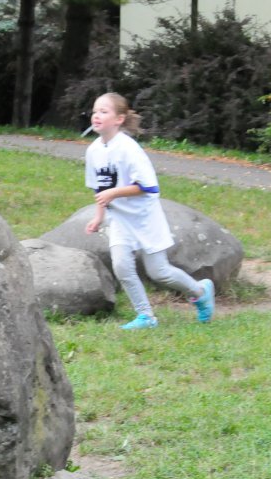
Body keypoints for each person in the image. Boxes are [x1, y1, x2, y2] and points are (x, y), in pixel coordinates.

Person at [84, 92, 215, 329]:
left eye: (104, 111)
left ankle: (200, 291)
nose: (96, 116)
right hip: (120, 219)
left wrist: (114, 193)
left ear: (119, 119)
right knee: (122, 266)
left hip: (145, 218)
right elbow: (99, 188)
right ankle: (146, 316)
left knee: (159, 272)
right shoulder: (93, 150)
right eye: (95, 111)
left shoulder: (128, 149)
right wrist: (98, 217)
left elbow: (148, 186)